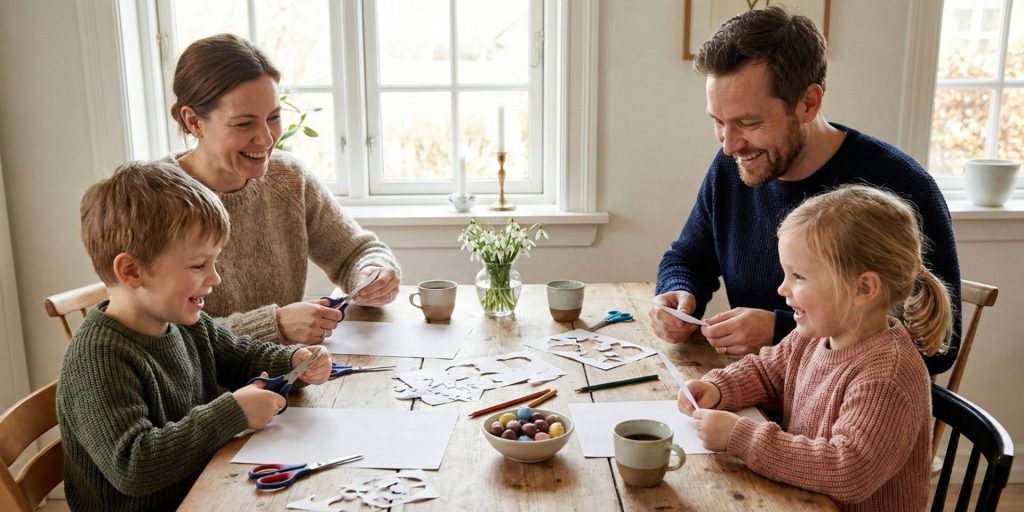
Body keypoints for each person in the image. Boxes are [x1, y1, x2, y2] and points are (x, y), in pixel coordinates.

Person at [651, 5, 961, 375]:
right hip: (754, 389)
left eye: (748, 123)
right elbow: (687, 257)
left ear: (808, 103)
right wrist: (678, 294)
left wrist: (782, 330)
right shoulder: (731, 168)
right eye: (718, 122)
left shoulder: (900, 188)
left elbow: (936, 345)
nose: (729, 145)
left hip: (845, 416)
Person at [57, 162, 333, 511]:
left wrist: (293, 362)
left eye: (214, 262)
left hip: (205, 488)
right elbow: (134, 466)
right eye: (198, 265)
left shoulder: (186, 324)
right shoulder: (98, 359)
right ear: (131, 271)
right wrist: (232, 412)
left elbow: (242, 357)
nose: (215, 278)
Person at [678, 185, 951, 511]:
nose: (783, 288)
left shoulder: (886, 376)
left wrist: (741, 437)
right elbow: (767, 372)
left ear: (863, 288)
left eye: (798, 276)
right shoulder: (812, 336)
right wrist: (718, 387)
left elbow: (849, 470)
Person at [163, 33, 401, 345]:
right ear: (194, 121)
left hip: (287, 376)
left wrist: (371, 273)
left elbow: (356, 252)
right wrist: (273, 325)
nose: (265, 139)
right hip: (203, 392)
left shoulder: (287, 178)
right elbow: (163, 338)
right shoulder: (153, 199)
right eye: (245, 124)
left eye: (273, 117)